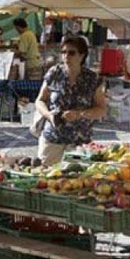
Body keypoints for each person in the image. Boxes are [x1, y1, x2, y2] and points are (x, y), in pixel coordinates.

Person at [33, 35, 108, 166]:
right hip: (52, 137)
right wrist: (48, 115)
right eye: (63, 52)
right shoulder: (54, 73)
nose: (66, 56)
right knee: (45, 176)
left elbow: (101, 109)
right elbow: (40, 100)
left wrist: (79, 114)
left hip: (79, 141)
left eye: (71, 52)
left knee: (76, 180)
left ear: (82, 55)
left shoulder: (92, 79)